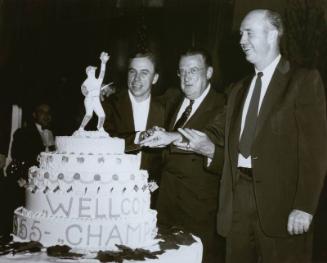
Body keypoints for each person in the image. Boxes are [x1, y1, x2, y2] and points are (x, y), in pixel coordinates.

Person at [185, 9, 327, 263]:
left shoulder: (303, 81)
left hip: (283, 209)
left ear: (272, 35)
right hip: (237, 203)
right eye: (241, 34)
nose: (241, 41)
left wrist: (304, 206)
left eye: (249, 33)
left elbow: (315, 153)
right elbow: (230, 152)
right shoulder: (238, 89)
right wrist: (204, 148)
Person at [139, 48, 226, 263]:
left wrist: (171, 136)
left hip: (200, 211)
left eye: (193, 70)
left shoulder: (223, 104)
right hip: (165, 205)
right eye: (182, 71)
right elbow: (141, 101)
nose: (186, 77)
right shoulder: (172, 98)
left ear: (209, 72)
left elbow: (209, 138)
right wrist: (106, 97)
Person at [103, 51, 166, 208]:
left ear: (155, 78)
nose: (136, 78)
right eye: (132, 71)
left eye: (144, 73)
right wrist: (140, 137)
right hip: (111, 193)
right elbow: (105, 144)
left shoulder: (166, 109)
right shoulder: (108, 104)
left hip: (154, 197)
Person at [78, 51, 110, 132]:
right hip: (89, 99)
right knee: (89, 114)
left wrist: (103, 62)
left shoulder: (97, 81)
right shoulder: (86, 82)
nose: (94, 71)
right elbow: (84, 91)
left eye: (94, 70)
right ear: (88, 72)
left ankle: (100, 128)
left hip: (96, 99)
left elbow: (102, 72)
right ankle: (81, 128)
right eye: (92, 70)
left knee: (102, 115)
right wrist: (90, 92)